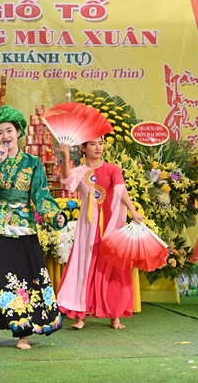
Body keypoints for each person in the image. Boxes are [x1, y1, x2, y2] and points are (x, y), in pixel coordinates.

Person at [0, 105, 66, 350]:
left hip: (22, 225)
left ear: (18, 132)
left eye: (9, 131)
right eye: (0, 133)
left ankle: (23, 333)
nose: (5, 136)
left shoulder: (32, 162)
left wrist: (54, 215)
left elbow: (41, 195)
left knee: (24, 277)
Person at [56, 138, 144, 330]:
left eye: (101, 143)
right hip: (88, 226)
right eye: (93, 144)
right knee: (84, 266)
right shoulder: (79, 171)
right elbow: (69, 184)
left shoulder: (112, 169)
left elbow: (120, 190)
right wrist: (64, 156)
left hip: (111, 224)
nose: (98, 147)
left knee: (112, 267)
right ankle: (80, 314)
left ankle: (114, 315)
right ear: (83, 147)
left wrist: (132, 210)